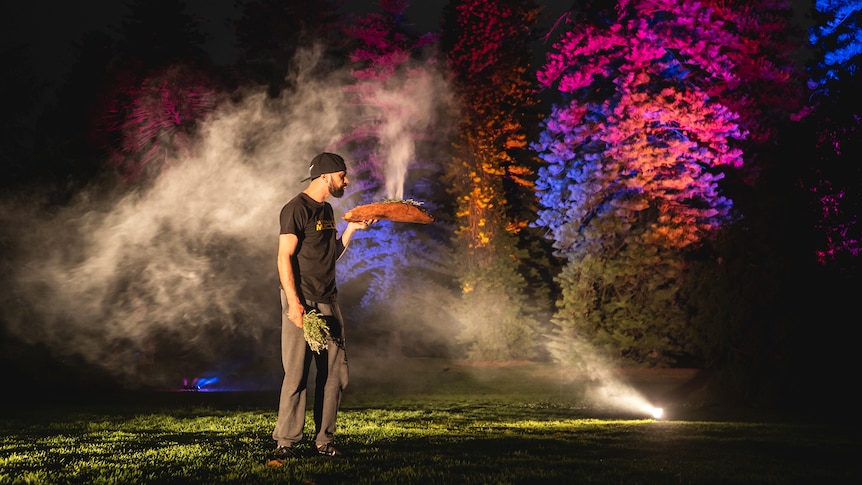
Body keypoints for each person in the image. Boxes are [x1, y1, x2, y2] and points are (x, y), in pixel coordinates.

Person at [269, 152, 376, 465]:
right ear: (327, 176)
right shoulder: (295, 209)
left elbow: (330, 256)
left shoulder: (328, 209)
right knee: (297, 375)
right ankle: (285, 442)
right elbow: (283, 257)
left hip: (329, 301)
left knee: (335, 376)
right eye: (342, 176)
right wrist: (293, 303)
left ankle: (324, 442)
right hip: (301, 301)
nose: (346, 181)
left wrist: (352, 231)